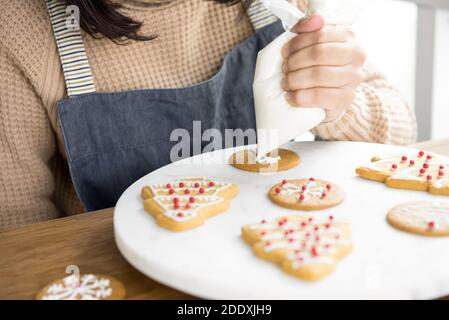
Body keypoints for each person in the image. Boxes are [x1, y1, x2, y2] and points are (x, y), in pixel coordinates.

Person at [0, 0, 416, 229]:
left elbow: (401, 132)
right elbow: (17, 236)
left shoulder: (280, 6)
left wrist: (336, 105)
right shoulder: (19, 25)